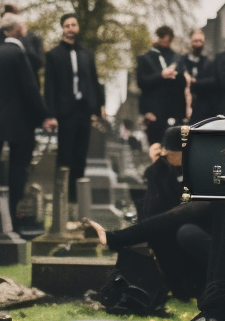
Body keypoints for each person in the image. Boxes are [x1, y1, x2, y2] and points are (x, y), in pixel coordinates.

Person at [86, 127, 211, 301]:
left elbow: (180, 213)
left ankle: (114, 238)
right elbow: (154, 212)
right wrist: (158, 168)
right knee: (164, 231)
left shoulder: (203, 171)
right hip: (173, 236)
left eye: (170, 152)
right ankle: (178, 287)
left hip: (202, 233)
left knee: (184, 229)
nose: (166, 155)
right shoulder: (164, 169)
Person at [0, 11, 54, 225]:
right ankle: (11, 217)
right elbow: (30, 89)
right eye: (24, 25)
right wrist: (46, 115)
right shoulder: (19, 54)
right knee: (17, 170)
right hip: (18, 122)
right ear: (18, 29)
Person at [45, 13, 105, 202]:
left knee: (81, 156)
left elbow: (94, 81)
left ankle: (77, 199)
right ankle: (63, 200)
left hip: (84, 111)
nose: (71, 28)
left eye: (73, 24)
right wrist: (51, 114)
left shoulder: (87, 54)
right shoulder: (54, 55)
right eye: (67, 25)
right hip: (65, 113)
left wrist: (98, 108)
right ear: (62, 29)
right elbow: (49, 86)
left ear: (78, 28)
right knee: (65, 156)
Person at [136, 25, 186, 144]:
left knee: (173, 150)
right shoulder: (145, 58)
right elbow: (142, 82)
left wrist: (176, 76)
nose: (165, 40)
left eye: (168, 38)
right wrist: (162, 75)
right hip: (153, 111)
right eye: (162, 37)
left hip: (173, 112)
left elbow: (183, 85)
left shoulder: (177, 58)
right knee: (156, 147)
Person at [182, 28, 218, 123]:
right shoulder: (182, 61)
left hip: (202, 107)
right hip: (183, 106)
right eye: (195, 41)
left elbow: (213, 81)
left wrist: (195, 82)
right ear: (190, 42)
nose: (198, 44)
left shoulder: (208, 62)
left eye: (200, 41)